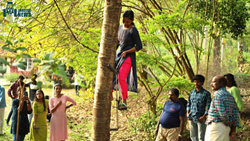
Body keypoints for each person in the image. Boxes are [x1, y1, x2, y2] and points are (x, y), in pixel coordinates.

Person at [113, 9, 143, 110]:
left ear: (132, 20)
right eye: (124, 21)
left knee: (121, 77)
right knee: (111, 75)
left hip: (128, 57)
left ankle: (124, 102)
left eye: (127, 21)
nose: (125, 23)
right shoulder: (120, 28)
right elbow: (118, 41)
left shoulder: (133, 30)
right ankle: (110, 96)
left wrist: (127, 51)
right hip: (118, 55)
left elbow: (139, 46)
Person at [205, 76, 240, 141]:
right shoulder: (230, 96)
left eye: (214, 82)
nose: (211, 84)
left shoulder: (218, 95)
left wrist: (228, 123)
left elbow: (222, 115)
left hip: (217, 127)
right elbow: (235, 113)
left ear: (221, 83)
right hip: (225, 128)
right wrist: (232, 129)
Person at [187, 75, 211, 141]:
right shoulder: (192, 93)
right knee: (193, 136)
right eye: (194, 82)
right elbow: (189, 103)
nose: (196, 84)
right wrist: (188, 114)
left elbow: (209, 107)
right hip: (191, 117)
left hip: (200, 118)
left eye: (197, 82)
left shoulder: (206, 93)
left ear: (202, 83)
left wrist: (203, 117)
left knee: (201, 137)